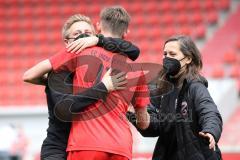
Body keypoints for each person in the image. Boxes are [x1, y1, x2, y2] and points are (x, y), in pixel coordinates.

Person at [23, 13, 140, 160]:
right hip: (58, 149)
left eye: (87, 34)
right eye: (77, 34)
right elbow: (66, 108)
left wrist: (99, 40)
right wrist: (103, 87)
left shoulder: (93, 69)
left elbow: (133, 50)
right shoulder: (59, 73)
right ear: (67, 43)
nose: (83, 38)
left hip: (87, 145)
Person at [128, 35, 223, 160]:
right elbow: (154, 127)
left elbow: (209, 112)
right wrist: (133, 113)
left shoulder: (195, 87)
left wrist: (211, 131)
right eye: (165, 54)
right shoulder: (160, 89)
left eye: (172, 54)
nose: (167, 58)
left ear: (188, 58)